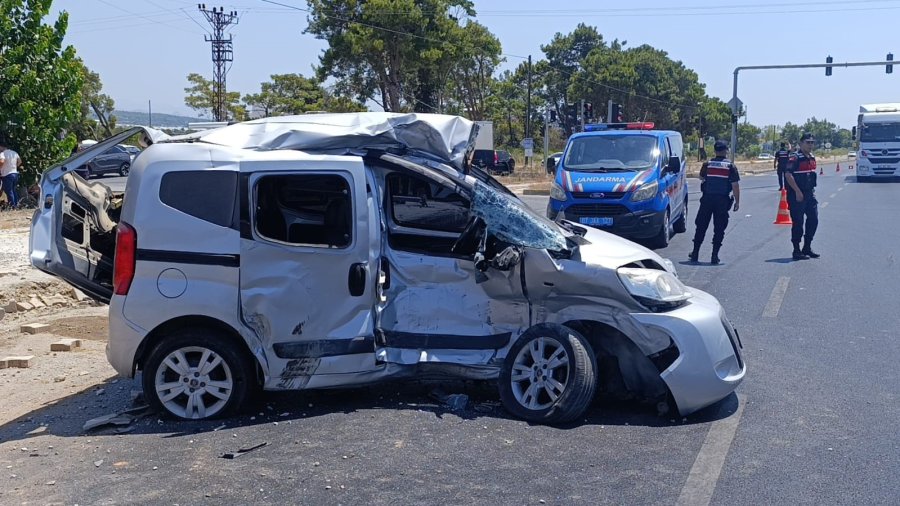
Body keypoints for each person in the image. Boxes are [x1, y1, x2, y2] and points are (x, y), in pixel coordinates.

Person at [689, 140, 741, 265]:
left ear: (715, 151)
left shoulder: (707, 164)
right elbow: (735, 186)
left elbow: (701, 177)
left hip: (707, 199)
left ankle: (695, 253)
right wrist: (737, 202)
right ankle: (714, 255)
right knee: (719, 228)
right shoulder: (730, 166)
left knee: (701, 226)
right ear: (726, 151)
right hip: (722, 201)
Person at [784, 132, 819, 260]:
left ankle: (807, 247)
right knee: (798, 223)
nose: (810, 145)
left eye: (812, 143)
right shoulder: (795, 157)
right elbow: (788, 174)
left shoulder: (811, 157)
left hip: (810, 194)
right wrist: (798, 191)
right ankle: (796, 250)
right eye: (807, 142)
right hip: (797, 195)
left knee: (813, 220)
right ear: (801, 143)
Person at [0, 140, 23, 209]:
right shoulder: (14, 153)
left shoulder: (2, 153)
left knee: (9, 191)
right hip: (15, 173)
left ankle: (12, 206)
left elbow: (2, 161)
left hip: (7, 174)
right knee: (13, 190)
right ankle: (16, 205)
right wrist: (14, 167)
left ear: (1, 147)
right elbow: (20, 161)